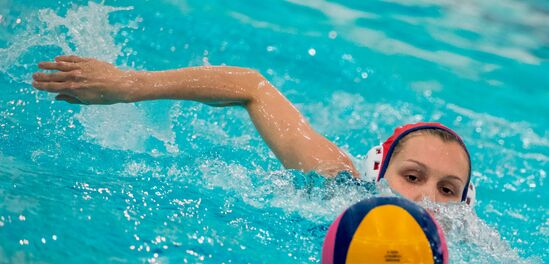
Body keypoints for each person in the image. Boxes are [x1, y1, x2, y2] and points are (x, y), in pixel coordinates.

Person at [32, 55, 474, 205]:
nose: (428, 201)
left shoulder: (477, 247)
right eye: (412, 178)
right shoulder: (342, 187)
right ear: (378, 174)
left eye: (448, 190)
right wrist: (130, 84)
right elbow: (252, 87)